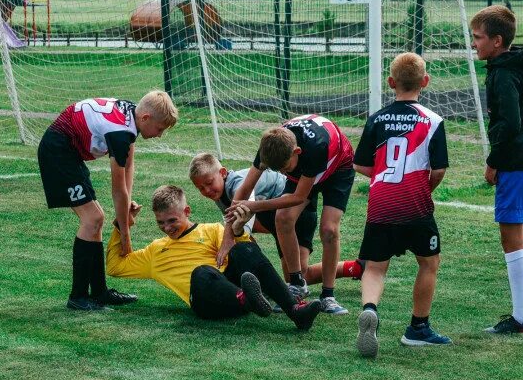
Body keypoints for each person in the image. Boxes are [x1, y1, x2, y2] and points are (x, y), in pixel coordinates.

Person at [105, 185, 322, 330]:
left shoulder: (212, 231)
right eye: (160, 223)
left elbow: (251, 256)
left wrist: (237, 230)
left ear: (187, 211)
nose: (166, 228)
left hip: (235, 288)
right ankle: (248, 298)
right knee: (201, 272)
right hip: (207, 303)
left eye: (172, 220)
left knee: (242, 248)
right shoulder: (155, 251)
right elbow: (115, 266)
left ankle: (295, 310)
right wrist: (121, 225)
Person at [38, 93, 178, 311]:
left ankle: (100, 292)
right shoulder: (120, 132)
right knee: (92, 218)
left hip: (69, 151)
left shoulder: (132, 116)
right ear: (146, 118)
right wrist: (125, 236)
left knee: (96, 219)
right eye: (160, 129)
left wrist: (128, 201)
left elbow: (129, 164)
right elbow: (117, 189)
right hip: (58, 150)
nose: (160, 135)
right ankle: (78, 297)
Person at [353, 52, 452, 358]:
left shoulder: (377, 118)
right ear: (425, 82)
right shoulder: (433, 121)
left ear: (390, 83)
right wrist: (424, 188)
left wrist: (383, 175)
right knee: (428, 262)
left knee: (375, 267)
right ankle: (418, 328)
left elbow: (360, 164)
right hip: (415, 204)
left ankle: (370, 309)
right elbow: (438, 170)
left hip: (381, 203)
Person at [470, 5, 523, 334]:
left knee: (510, 238)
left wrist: (494, 161)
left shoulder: (502, 73)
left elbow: (511, 122)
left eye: (478, 38)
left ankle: (521, 319)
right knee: (520, 236)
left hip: (517, 163)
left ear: (497, 40)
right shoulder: (520, 67)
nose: (473, 43)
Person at [227, 114, 355, 315]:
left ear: (297, 151)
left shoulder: (315, 147)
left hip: (338, 168)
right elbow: (244, 189)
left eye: (286, 168)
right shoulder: (270, 147)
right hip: (306, 169)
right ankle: (297, 283)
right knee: (283, 217)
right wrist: (229, 234)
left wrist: (254, 206)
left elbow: (298, 197)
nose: (285, 174)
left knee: (329, 229)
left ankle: (328, 295)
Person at [188, 153, 365, 285]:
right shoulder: (219, 194)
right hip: (275, 220)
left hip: (298, 214)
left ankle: (356, 268)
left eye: (209, 183)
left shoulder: (237, 182)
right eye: (200, 188)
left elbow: (245, 212)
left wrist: (231, 240)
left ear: (223, 173)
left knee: (299, 277)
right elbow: (236, 224)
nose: (207, 191)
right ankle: (356, 268)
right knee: (294, 277)